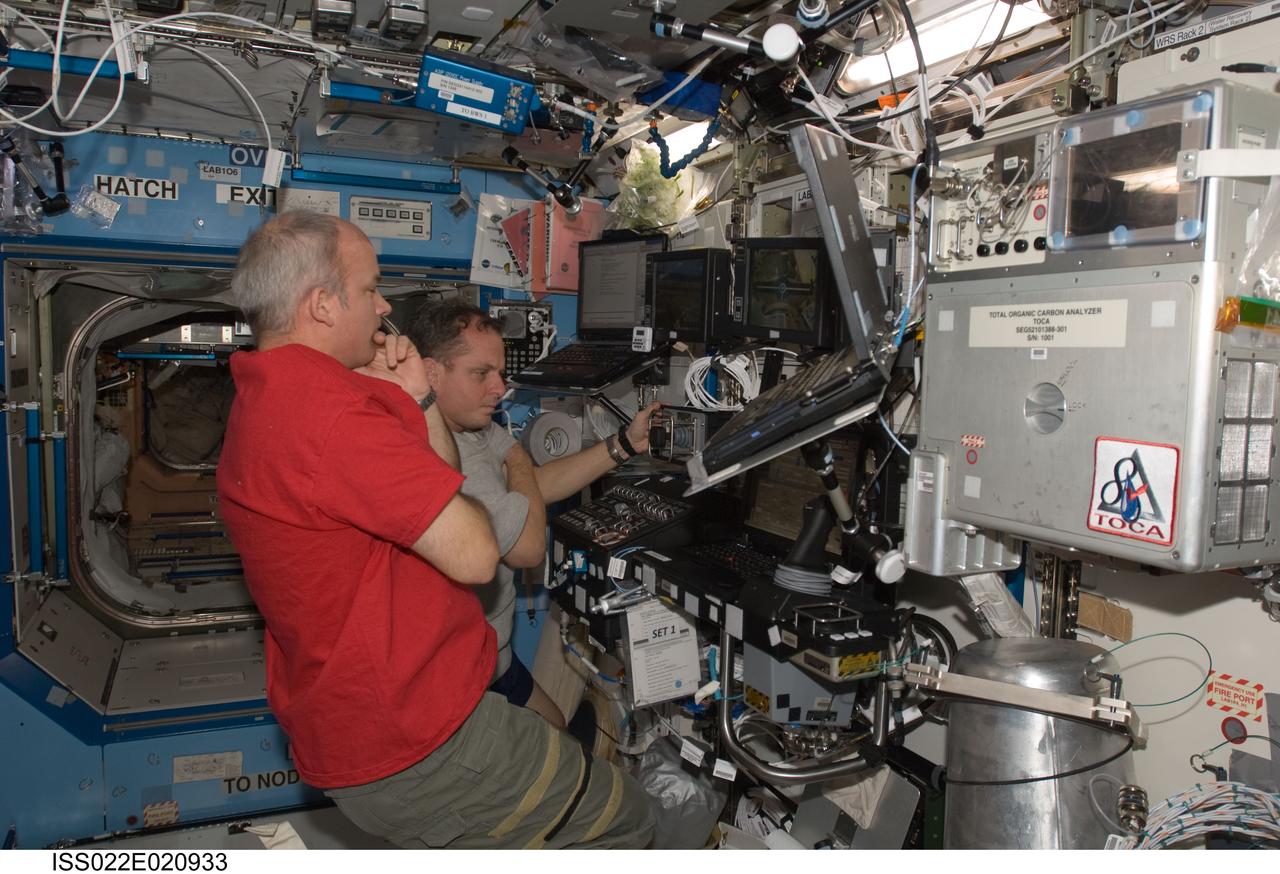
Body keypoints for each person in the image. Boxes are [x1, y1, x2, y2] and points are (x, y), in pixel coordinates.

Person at [217, 212, 654, 849]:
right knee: (630, 821)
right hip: (423, 738)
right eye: (369, 290)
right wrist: (512, 463)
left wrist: (419, 402)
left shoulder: (271, 397)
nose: (383, 304)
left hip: (376, 725)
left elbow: (438, 485)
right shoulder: (330, 417)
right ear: (321, 305)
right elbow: (478, 556)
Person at [407, 302, 660, 729]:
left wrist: (624, 445)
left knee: (557, 727)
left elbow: (529, 493)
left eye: (499, 372)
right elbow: (527, 547)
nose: (498, 387)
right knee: (551, 756)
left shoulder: (467, 423)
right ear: (431, 374)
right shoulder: (445, 455)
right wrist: (515, 452)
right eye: (480, 373)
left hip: (492, 657)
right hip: (462, 678)